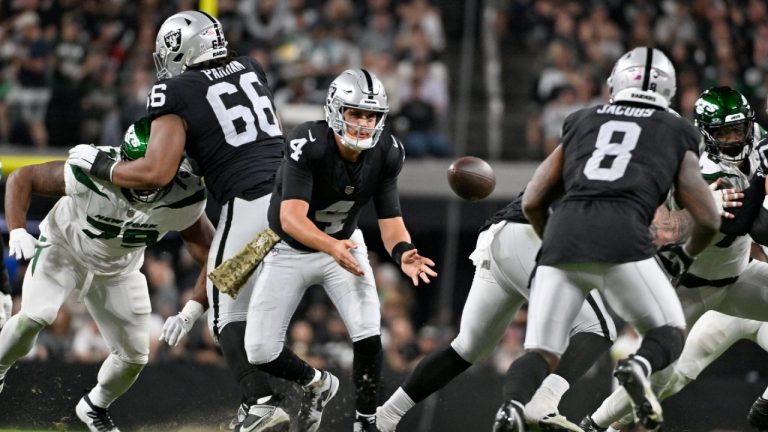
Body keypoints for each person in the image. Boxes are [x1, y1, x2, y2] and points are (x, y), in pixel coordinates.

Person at [66, 10, 288, 430]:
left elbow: (156, 172)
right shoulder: (253, 67)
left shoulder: (174, 92)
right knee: (240, 291)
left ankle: (262, 401)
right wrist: (188, 311)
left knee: (226, 307)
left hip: (249, 205)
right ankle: (305, 386)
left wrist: (101, 166)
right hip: (291, 203)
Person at [515, 47, 720, 432]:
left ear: (614, 84)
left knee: (541, 350)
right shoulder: (677, 129)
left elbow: (533, 200)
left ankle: (512, 407)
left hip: (563, 233)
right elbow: (708, 216)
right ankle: (639, 364)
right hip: (624, 233)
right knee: (667, 331)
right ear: (669, 91)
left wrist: (553, 245)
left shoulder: (582, 118)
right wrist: (686, 255)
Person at [241, 68, 436, 432]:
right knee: (261, 351)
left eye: (371, 115)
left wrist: (403, 252)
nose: (364, 123)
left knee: (367, 331)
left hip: (343, 244)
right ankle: (317, 383)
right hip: (291, 248)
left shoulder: (388, 152)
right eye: (356, 113)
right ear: (335, 110)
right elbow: (291, 218)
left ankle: (366, 421)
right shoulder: (308, 142)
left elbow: (391, 221)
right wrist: (331, 246)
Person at [0, 119, 212, 432]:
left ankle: (94, 406)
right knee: (36, 315)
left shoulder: (185, 196)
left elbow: (212, 255)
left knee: (135, 357)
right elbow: (22, 177)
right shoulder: (91, 170)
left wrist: (193, 308)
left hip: (119, 269)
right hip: (65, 248)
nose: (144, 186)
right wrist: (17, 229)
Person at [580, 87, 768, 431]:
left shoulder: (757, 140)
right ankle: (595, 424)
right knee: (663, 378)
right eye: (723, 133)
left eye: (737, 129)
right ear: (707, 135)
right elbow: (757, 228)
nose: (733, 138)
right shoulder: (704, 170)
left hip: (738, 277)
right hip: (689, 288)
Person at [375, 192, 618, 432]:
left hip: (500, 236)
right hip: (536, 234)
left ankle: (384, 417)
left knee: (468, 348)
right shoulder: (635, 174)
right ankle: (543, 403)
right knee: (598, 328)